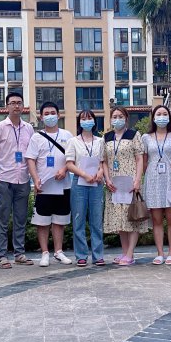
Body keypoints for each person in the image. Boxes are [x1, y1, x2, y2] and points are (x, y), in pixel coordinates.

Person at [0, 92, 35, 269]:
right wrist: (2, 167)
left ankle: (19, 253)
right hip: (4, 180)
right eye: (13, 103)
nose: (16, 106)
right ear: (6, 106)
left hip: (23, 179)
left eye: (19, 103)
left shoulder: (29, 128)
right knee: (2, 219)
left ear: (23, 106)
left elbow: (32, 153)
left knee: (20, 218)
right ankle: (2, 256)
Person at [25, 101, 74, 267]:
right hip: (44, 185)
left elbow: (72, 158)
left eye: (53, 113)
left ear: (59, 115)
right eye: (46, 114)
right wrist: (35, 179)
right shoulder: (36, 137)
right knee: (42, 221)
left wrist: (65, 170)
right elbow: (30, 160)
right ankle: (45, 253)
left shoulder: (67, 135)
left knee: (60, 220)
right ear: (41, 117)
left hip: (63, 185)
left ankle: (58, 251)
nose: (50, 116)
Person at [102, 107, 148, 266]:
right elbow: (104, 161)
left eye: (120, 116)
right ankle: (124, 252)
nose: (117, 119)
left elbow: (139, 159)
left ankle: (130, 254)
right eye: (114, 116)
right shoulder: (106, 137)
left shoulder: (134, 135)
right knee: (120, 220)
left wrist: (137, 180)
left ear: (126, 118)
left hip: (130, 182)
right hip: (114, 184)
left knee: (132, 217)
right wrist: (107, 179)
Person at [142, 105, 171, 265]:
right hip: (153, 179)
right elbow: (144, 161)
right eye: (158, 114)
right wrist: (145, 178)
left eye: (164, 114)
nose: (162, 116)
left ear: (169, 117)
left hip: (170, 179)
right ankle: (160, 253)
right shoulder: (146, 138)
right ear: (153, 118)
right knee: (156, 219)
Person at [65, 110, 105, 267]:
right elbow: (69, 164)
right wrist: (84, 175)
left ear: (94, 121)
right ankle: (81, 255)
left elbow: (103, 161)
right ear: (79, 122)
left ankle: (98, 255)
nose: (86, 120)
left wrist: (100, 172)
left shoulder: (100, 141)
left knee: (97, 220)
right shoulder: (73, 141)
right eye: (83, 118)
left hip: (96, 183)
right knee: (78, 219)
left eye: (89, 118)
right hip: (79, 182)